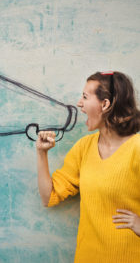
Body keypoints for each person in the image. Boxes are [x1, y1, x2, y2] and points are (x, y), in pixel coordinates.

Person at [36, 71, 140, 263]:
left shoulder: (137, 148)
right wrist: (42, 154)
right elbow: (48, 197)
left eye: (85, 97)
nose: (79, 103)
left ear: (105, 104)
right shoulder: (84, 147)